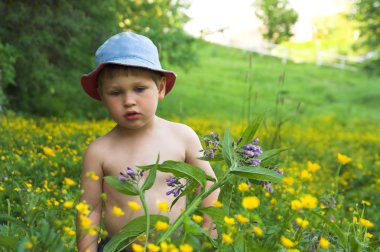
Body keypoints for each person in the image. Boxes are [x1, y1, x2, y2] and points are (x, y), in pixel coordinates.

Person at [77, 32, 219, 252]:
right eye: (115, 93)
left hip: (174, 246)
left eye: (139, 89)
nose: (129, 101)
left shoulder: (183, 137)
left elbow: (210, 186)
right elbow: (90, 209)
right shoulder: (99, 151)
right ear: (101, 96)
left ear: (161, 88)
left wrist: (208, 240)